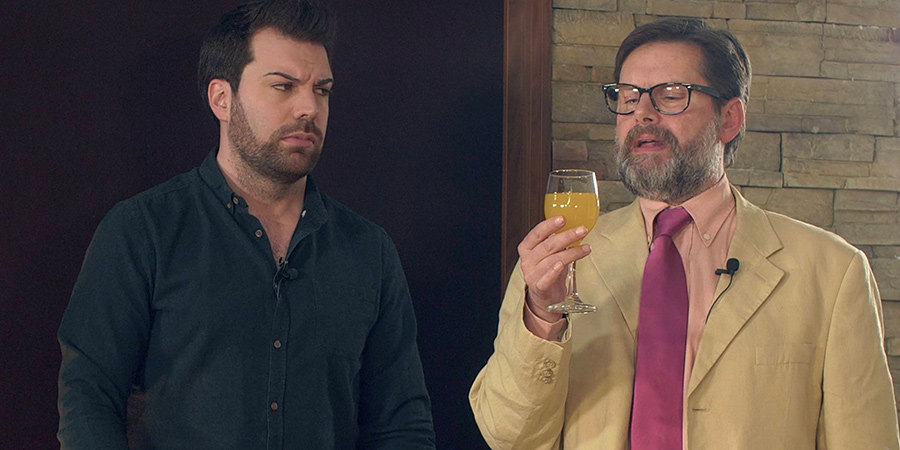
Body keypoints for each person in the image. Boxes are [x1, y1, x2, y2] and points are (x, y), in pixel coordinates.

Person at [470, 17, 899, 449]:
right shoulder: (560, 261)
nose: (642, 113)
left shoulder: (832, 272)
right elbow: (509, 436)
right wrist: (542, 316)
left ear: (729, 118)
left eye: (671, 95)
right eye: (627, 97)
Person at [57, 1, 435, 448]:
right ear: (222, 98)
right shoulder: (143, 230)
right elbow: (89, 398)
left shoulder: (368, 250)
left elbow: (400, 422)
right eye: (283, 86)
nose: (309, 108)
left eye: (322, 90)